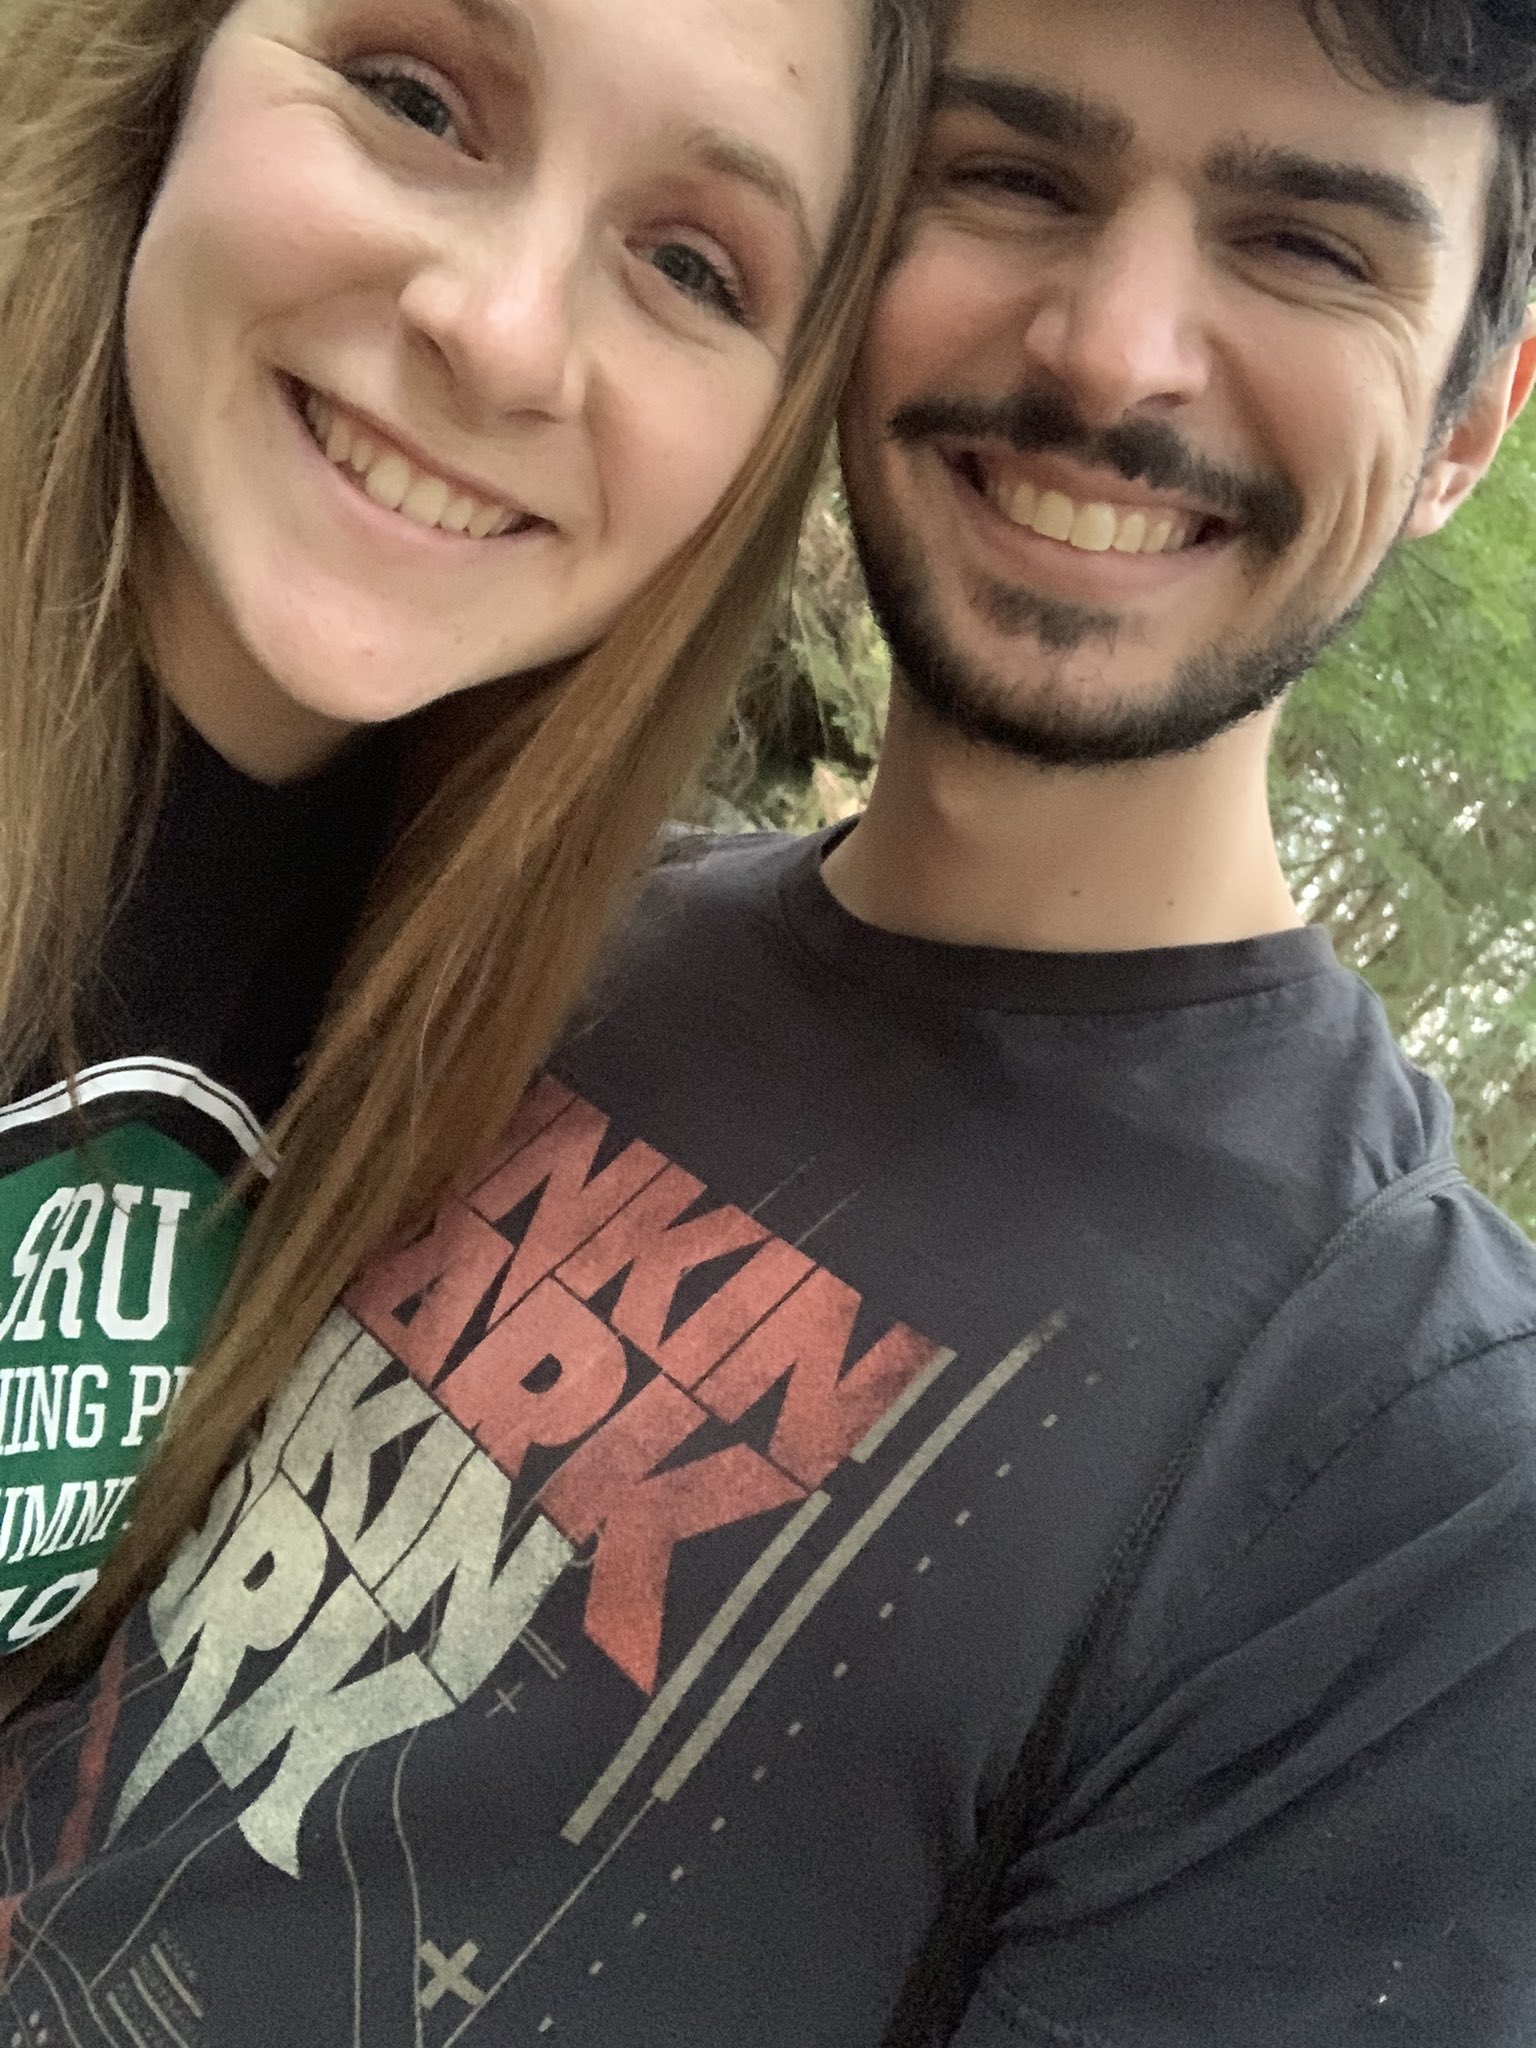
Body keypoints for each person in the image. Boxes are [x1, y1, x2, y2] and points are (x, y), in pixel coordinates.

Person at [1, 0, 1534, 2044]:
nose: (1114, 351)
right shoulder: (518, 916)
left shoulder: (1414, 1468)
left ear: (1472, 420)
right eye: (1014, 178)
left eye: (1310, 246)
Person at [0, 0, 931, 1659]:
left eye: (692, 267)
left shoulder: (487, 1025)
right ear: (176, 54)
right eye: (415, 101)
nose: (502, 336)